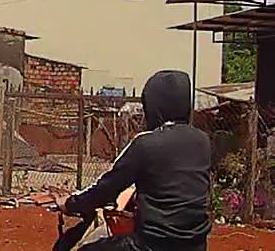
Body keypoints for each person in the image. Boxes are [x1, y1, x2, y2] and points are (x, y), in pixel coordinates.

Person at [58, 70, 211, 251]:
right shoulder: (203, 141)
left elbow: (108, 187)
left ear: (154, 106)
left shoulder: (146, 144)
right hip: (195, 245)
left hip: (152, 245)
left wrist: (71, 203)